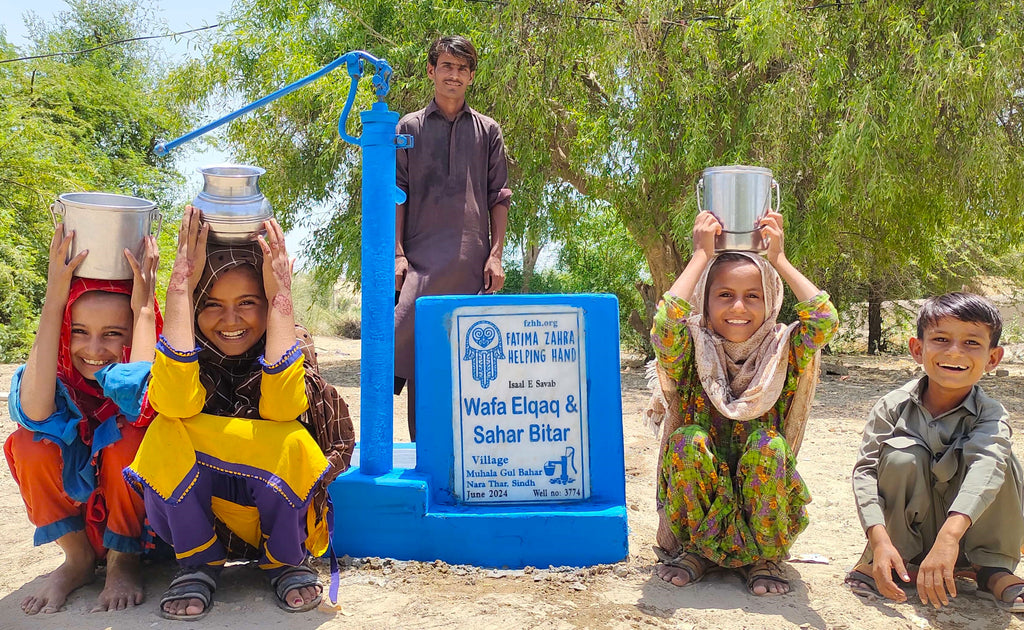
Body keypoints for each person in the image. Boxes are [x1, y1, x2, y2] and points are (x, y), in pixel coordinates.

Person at [125, 207, 353, 621]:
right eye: (210, 304)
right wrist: (178, 289)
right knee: (167, 428)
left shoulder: (289, 346)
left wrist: (281, 293)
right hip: (203, 523)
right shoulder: (185, 349)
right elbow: (175, 402)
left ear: (268, 306)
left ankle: (284, 562)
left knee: (289, 435)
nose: (230, 320)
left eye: (249, 302)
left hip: (277, 521)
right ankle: (197, 565)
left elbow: (283, 407)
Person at [647, 210, 838, 595]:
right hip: (700, 485)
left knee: (767, 448)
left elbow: (823, 318)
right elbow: (665, 326)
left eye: (753, 296)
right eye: (724, 296)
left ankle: (763, 557)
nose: (738, 308)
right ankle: (696, 551)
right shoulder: (691, 347)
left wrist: (778, 259)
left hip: (761, 489)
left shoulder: (784, 349)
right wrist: (701, 256)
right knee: (687, 441)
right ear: (706, 300)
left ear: (770, 301)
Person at [5, 225, 161, 615]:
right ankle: (76, 561)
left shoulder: (150, 360)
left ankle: (121, 561)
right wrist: (53, 302)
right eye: (78, 332)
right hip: (82, 521)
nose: (93, 349)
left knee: (129, 434)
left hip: (142, 527)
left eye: (112, 334)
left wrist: (143, 308)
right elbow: (36, 414)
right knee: (28, 442)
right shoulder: (54, 373)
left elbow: (136, 401)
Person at [846, 292, 1024, 611]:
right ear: (918, 349)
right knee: (901, 454)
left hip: (965, 539)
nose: (954, 352)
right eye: (941, 339)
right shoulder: (891, 408)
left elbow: (986, 467)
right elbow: (865, 474)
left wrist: (950, 538)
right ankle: (892, 559)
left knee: (1002, 462)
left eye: (971, 342)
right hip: (905, 540)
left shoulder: (991, 414)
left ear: (993, 358)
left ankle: (991, 569)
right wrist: (878, 540)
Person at [394, 35, 512, 440]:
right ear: (431, 71)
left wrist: (495, 255)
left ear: (471, 77)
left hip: (470, 266)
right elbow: (396, 193)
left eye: (462, 69)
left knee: (468, 365)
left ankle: (472, 464)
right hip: (420, 266)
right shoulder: (408, 128)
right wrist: (396, 254)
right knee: (410, 352)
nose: (453, 75)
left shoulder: (488, 131)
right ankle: (422, 461)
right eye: (446, 66)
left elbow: (499, 196)